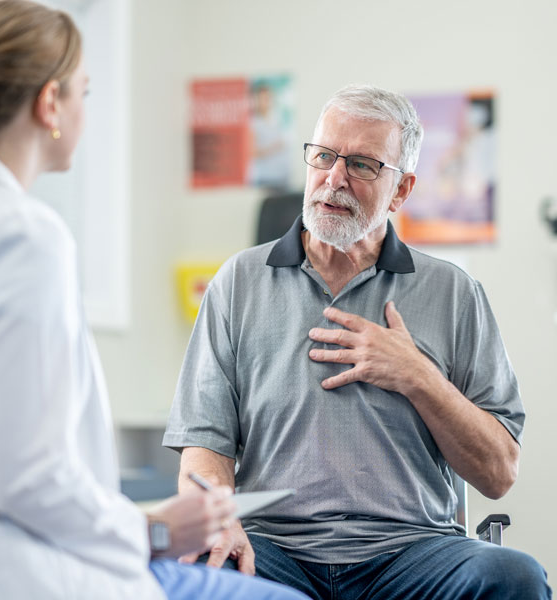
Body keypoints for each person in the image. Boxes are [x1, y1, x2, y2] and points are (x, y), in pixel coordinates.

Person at [0, 2, 309, 599]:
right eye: (83, 94)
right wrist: (150, 530)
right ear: (50, 105)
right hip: (19, 568)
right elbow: (27, 478)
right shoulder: (23, 236)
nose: (84, 112)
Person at [163, 84, 552, 599]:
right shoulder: (238, 282)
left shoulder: (454, 292)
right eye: (324, 156)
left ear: (402, 190)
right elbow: (205, 445)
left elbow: (499, 473)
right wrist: (218, 522)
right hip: (274, 549)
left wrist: (418, 377)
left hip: (411, 552)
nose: (334, 178)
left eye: (363, 165)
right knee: (191, 580)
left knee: (516, 578)